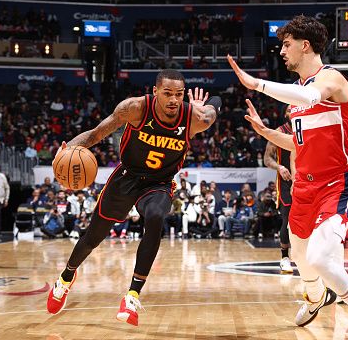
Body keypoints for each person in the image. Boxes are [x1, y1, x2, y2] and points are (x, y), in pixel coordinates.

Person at [228, 15, 348, 340]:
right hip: (305, 186)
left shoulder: (330, 80)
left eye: (286, 44)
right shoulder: (295, 98)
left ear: (305, 45)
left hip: (338, 182)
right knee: (299, 256)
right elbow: (298, 142)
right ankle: (315, 297)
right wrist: (266, 132)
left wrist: (256, 84)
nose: (281, 51)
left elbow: (312, 98)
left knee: (319, 257)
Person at [47, 69, 220, 326]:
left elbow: (215, 107)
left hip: (159, 183)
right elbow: (96, 133)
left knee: (155, 216)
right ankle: (65, 277)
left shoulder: (193, 118)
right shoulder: (135, 108)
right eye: (168, 93)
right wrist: (70, 147)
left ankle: (132, 295)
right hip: (126, 178)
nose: (174, 100)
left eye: (179, 94)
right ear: (155, 92)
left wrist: (202, 108)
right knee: (92, 237)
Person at [264, 106, 295, 274]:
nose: (292, 112)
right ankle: (285, 257)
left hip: (306, 180)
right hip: (286, 181)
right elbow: (267, 158)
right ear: (285, 114)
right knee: (287, 218)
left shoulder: (308, 128)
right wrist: (279, 167)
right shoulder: (279, 131)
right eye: (289, 110)